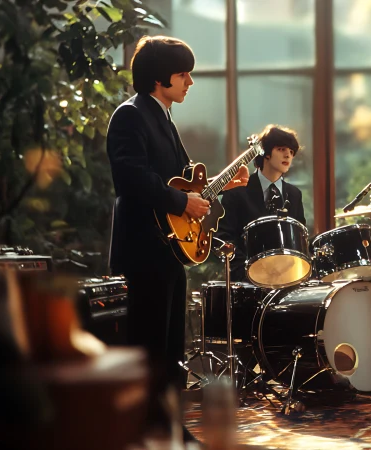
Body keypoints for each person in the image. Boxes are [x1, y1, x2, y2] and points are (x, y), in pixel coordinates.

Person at [106, 35, 247, 443]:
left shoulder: (163, 116)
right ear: (158, 78)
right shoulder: (130, 115)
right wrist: (182, 202)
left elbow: (187, 187)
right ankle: (147, 432)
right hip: (144, 246)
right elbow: (131, 178)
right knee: (149, 349)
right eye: (183, 74)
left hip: (168, 248)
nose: (190, 82)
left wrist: (224, 186)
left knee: (169, 350)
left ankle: (168, 429)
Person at [217, 124, 306, 282]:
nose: (288, 155)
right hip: (246, 282)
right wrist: (247, 272)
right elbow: (225, 237)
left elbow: (300, 238)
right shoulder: (238, 189)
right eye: (281, 149)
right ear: (266, 153)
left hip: (287, 280)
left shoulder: (294, 195)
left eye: (291, 152)